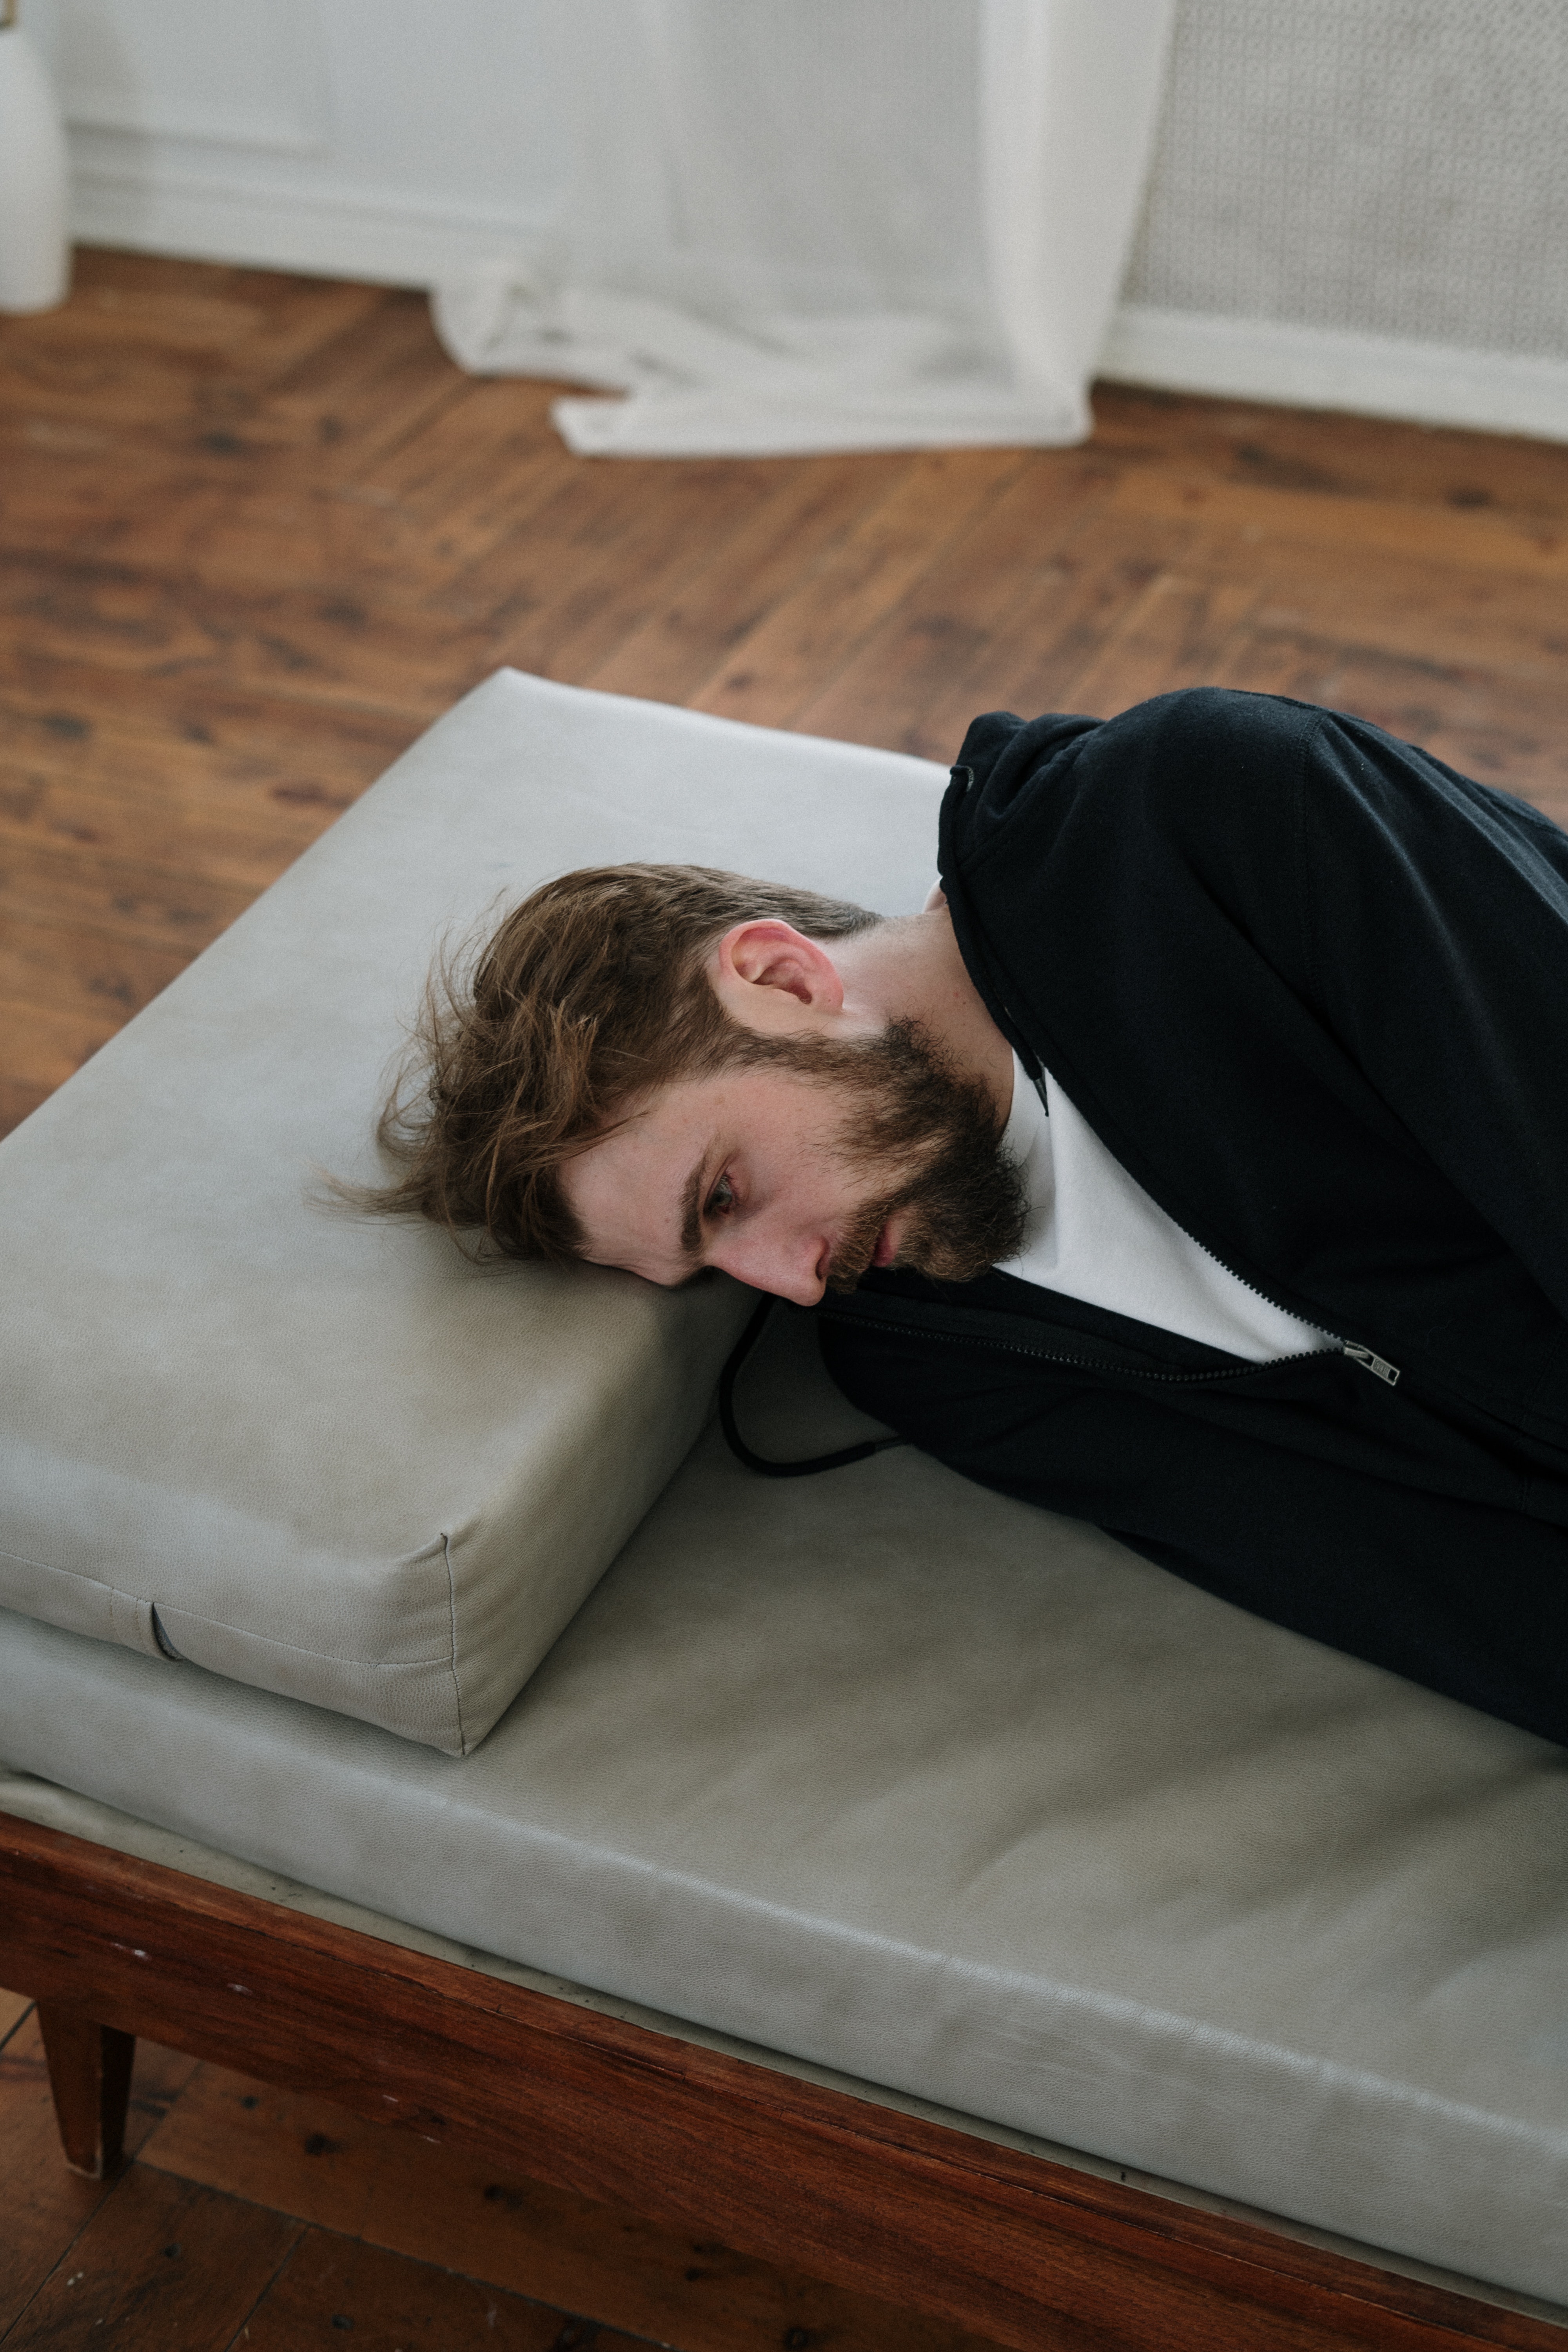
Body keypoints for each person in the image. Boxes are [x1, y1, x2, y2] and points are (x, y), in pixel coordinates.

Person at [362, 687, 1568, 1744]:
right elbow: (1412, 1587)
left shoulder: (1210, 818)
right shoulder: (931, 1359)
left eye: (724, 1195)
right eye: (713, 1265)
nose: (789, 1280)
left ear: (784, 980)